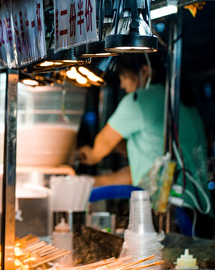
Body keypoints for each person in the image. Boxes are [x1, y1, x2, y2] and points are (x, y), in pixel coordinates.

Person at [78, 52, 211, 234]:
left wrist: (86, 155)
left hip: (171, 217)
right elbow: (143, 172)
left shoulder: (139, 100)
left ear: (144, 71)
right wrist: (94, 181)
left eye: (124, 77)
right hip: (201, 217)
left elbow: (99, 147)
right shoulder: (185, 104)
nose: (123, 85)